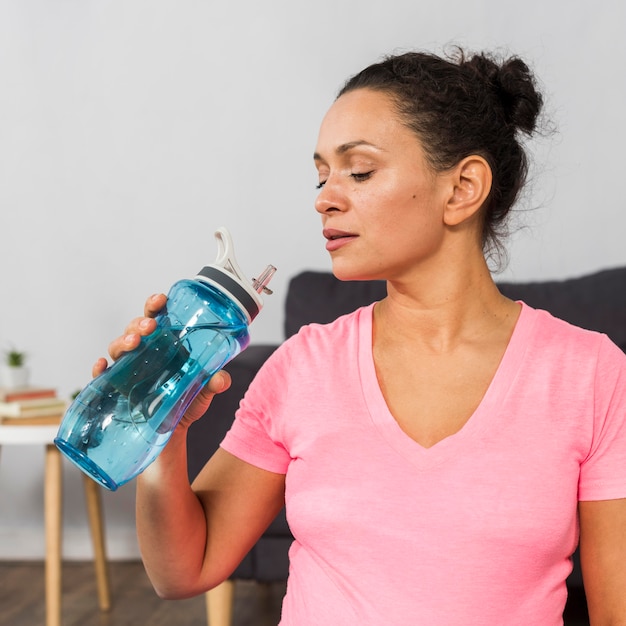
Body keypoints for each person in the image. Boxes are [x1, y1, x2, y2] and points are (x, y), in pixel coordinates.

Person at [97, 48, 626, 624]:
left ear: (463, 188)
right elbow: (183, 571)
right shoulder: (303, 367)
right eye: (322, 174)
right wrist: (160, 431)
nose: (324, 196)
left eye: (360, 170)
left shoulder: (591, 375)